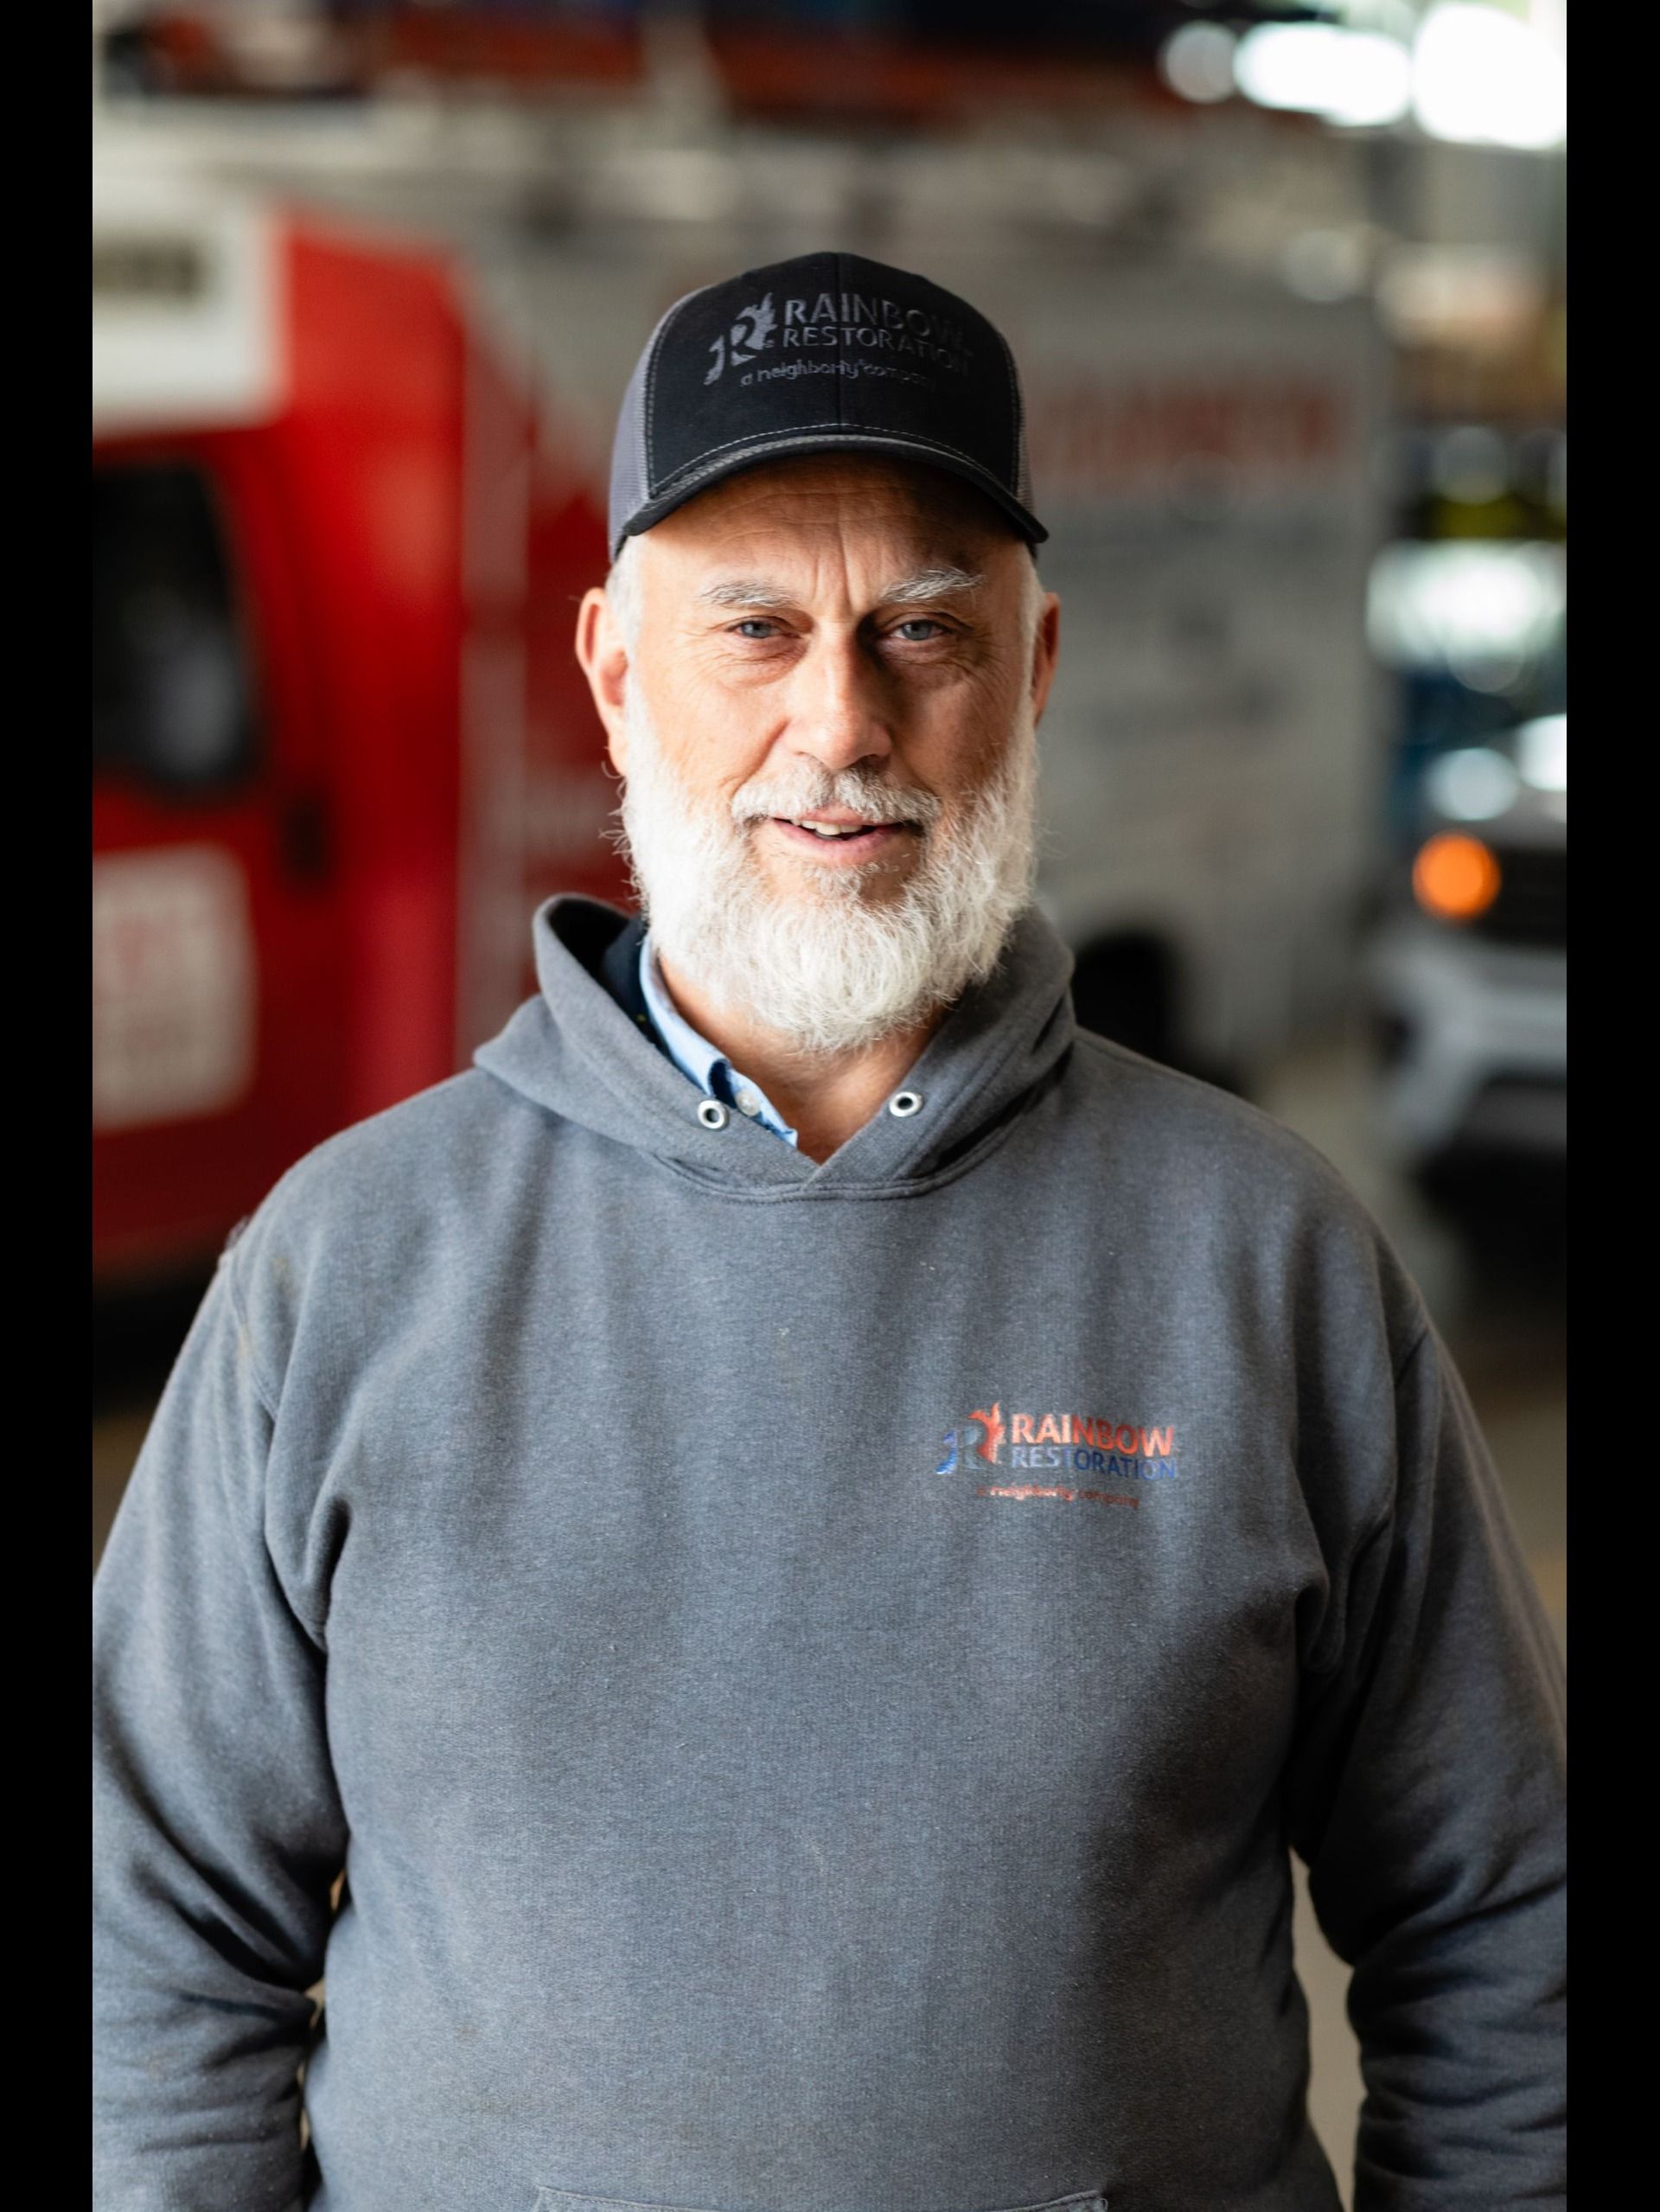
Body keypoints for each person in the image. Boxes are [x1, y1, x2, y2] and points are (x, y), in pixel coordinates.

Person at [94, 252, 1566, 2212]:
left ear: (1033, 670)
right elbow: (150, 1944)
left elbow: (1499, 1925)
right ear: (616, 670)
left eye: (924, 631)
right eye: (758, 626)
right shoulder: (345, 1270)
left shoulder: (1264, 1258)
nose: (841, 722)